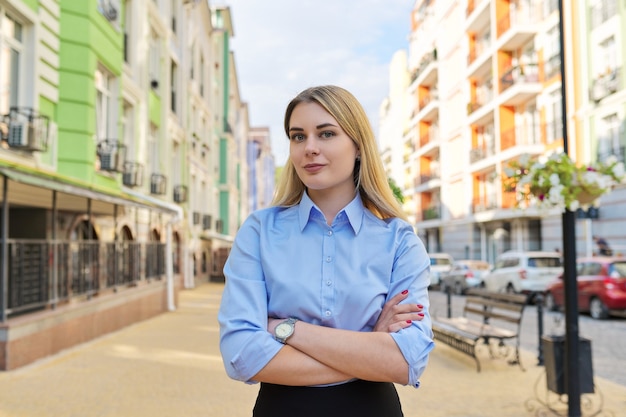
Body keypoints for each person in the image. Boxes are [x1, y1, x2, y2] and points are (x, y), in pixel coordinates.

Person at [218, 85, 434, 417]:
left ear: (358, 146)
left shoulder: (399, 240)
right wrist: (369, 350)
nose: (310, 148)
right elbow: (241, 354)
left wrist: (284, 328)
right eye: (298, 136)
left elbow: (407, 359)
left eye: (327, 133)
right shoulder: (260, 231)